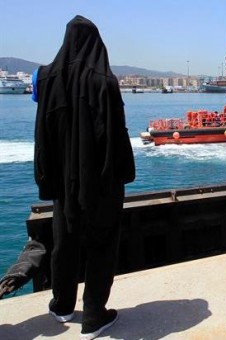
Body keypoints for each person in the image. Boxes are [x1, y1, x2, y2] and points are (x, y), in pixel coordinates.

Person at [33, 15, 135, 339]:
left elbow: (42, 131)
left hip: (63, 181)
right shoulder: (104, 82)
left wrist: (46, 176)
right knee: (102, 245)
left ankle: (62, 306)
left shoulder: (47, 78)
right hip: (101, 182)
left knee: (64, 241)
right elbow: (116, 135)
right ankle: (94, 316)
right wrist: (122, 174)